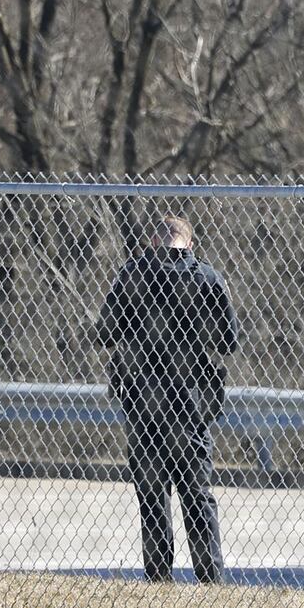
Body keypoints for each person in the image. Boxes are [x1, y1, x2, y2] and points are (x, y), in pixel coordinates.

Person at [98, 214, 239, 583]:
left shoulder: (133, 275)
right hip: (191, 405)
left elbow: (105, 333)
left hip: (143, 403)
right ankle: (211, 579)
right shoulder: (207, 279)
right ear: (189, 244)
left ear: (153, 242)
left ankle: (159, 579)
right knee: (197, 495)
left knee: (152, 495)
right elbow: (228, 342)